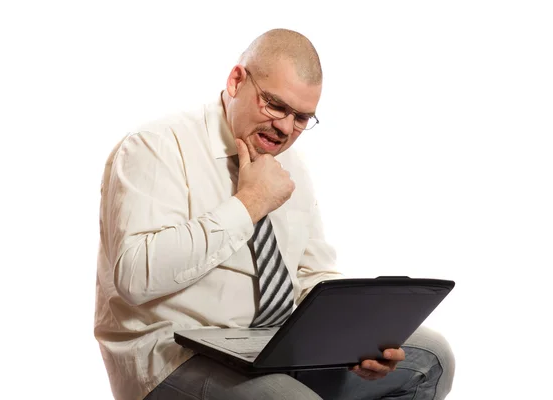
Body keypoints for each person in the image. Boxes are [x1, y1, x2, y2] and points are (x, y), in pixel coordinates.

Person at [94, 28, 455, 400]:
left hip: (268, 345)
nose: (284, 128)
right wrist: (249, 204)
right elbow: (134, 276)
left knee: (429, 357)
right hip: (173, 354)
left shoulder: (291, 165)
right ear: (236, 81)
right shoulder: (155, 146)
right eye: (276, 106)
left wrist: (356, 335)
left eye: (301, 118)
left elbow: (311, 273)